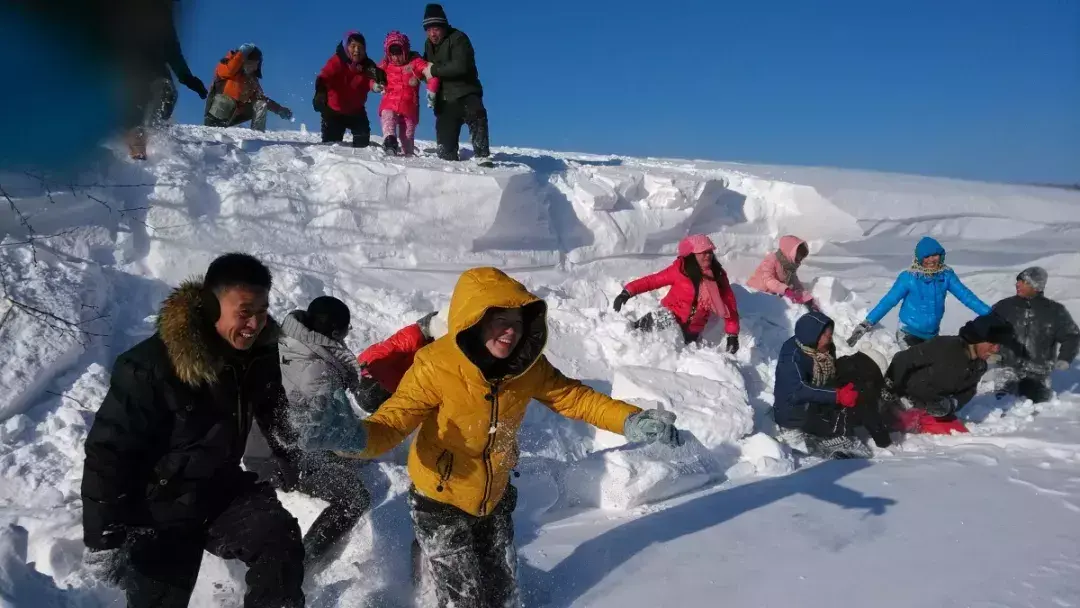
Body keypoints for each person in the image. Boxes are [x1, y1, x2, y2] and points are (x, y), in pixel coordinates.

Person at [325, 267, 682, 608]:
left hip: (493, 497)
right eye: (500, 320)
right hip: (440, 498)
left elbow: (575, 398)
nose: (510, 332)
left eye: (517, 323)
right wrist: (356, 438)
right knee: (466, 601)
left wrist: (631, 419)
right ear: (475, 319)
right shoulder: (436, 364)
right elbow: (394, 420)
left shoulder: (526, 367)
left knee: (504, 596)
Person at [81, 253, 304, 608]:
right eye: (244, 312)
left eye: (262, 311)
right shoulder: (149, 367)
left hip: (221, 488)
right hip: (156, 508)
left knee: (278, 538)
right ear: (211, 306)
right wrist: (103, 535)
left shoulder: (257, 354)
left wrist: (290, 451)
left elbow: (271, 406)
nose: (255, 323)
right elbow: (110, 451)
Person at [274, 296, 394, 568]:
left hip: (274, 441)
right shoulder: (321, 373)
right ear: (336, 333)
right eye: (346, 330)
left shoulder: (291, 341)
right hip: (289, 459)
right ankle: (300, 566)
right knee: (355, 499)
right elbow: (318, 434)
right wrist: (362, 440)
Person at [773, 311, 891, 459]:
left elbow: (831, 374)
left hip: (815, 399)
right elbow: (800, 389)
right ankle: (821, 437)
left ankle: (827, 429)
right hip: (793, 410)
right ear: (812, 336)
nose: (830, 338)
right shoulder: (792, 359)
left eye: (830, 334)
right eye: (826, 335)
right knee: (836, 408)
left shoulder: (824, 349)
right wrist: (837, 395)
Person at [848, 236, 990, 348]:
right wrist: (867, 323)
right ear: (919, 258)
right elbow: (888, 301)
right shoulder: (909, 277)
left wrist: (991, 315)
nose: (931, 260)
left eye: (935, 255)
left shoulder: (945, 275)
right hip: (908, 333)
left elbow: (966, 296)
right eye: (927, 256)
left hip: (932, 335)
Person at [884, 314, 1012, 433]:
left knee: (960, 436)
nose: (996, 349)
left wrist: (951, 404)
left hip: (929, 412)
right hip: (900, 404)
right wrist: (889, 389)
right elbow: (902, 359)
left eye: (998, 345)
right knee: (889, 428)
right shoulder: (944, 347)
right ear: (976, 339)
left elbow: (968, 392)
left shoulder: (979, 366)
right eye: (992, 343)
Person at [613, 234, 740, 352]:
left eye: (710, 252)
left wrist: (732, 335)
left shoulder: (718, 276)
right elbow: (652, 281)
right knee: (636, 336)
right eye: (703, 252)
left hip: (692, 330)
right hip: (667, 317)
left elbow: (730, 306)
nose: (708, 255)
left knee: (669, 352)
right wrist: (628, 291)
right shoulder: (679, 270)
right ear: (692, 255)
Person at [122, 0, 207, 160]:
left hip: (156, 73)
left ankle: (150, 134)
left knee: (166, 90)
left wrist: (189, 79)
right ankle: (132, 137)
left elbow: (173, 53)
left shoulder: (164, 21)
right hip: (128, 72)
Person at [990, 267, 1078, 403]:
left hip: (1038, 372)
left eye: (1024, 282)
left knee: (1035, 409)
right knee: (1000, 405)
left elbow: (1071, 335)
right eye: (1018, 281)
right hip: (1006, 368)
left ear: (1036, 286)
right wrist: (990, 350)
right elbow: (986, 329)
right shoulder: (1003, 307)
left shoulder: (1055, 311)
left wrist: (1065, 358)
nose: (1017, 284)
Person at [420, 4, 489, 161]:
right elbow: (427, 69)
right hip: (445, 100)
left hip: (466, 93)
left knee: (477, 116)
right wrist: (421, 74)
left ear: (444, 26)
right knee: (445, 153)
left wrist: (434, 70)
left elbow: (461, 66)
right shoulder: (428, 45)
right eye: (428, 29)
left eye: (436, 28)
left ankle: (483, 157)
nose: (432, 33)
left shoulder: (459, 38)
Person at [314, 31, 387, 148]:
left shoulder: (368, 65)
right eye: (353, 46)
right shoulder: (337, 61)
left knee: (363, 143)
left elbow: (373, 78)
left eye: (360, 47)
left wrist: (375, 86)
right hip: (333, 112)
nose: (357, 50)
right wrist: (320, 93)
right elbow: (324, 76)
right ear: (346, 47)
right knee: (331, 146)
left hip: (356, 111)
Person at [377, 31, 439, 156]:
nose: (396, 58)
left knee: (407, 136)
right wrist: (376, 85)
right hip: (390, 101)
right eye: (392, 54)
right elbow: (373, 75)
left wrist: (432, 90)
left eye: (399, 53)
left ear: (405, 50)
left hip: (409, 106)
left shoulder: (415, 62)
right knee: (388, 118)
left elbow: (431, 73)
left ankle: (408, 154)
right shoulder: (385, 64)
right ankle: (390, 142)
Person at [204, 44, 293, 131]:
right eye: (251, 63)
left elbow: (262, 98)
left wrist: (279, 109)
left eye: (257, 64)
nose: (254, 67)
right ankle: (214, 127)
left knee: (261, 104)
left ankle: (256, 135)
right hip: (216, 115)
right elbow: (230, 69)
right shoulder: (226, 66)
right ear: (243, 61)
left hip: (234, 116)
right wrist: (241, 53)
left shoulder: (251, 80)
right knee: (228, 100)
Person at [357, 310, 446, 392]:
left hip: (426, 353)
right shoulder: (367, 363)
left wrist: (421, 331)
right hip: (429, 358)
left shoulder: (371, 363)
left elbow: (395, 346)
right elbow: (395, 345)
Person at [746, 235, 816, 309]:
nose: (799, 261)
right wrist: (786, 290)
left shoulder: (790, 266)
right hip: (754, 294)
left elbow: (795, 283)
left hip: (771, 296)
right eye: (797, 256)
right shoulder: (771, 259)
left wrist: (806, 299)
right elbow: (768, 280)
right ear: (789, 251)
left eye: (801, 258)